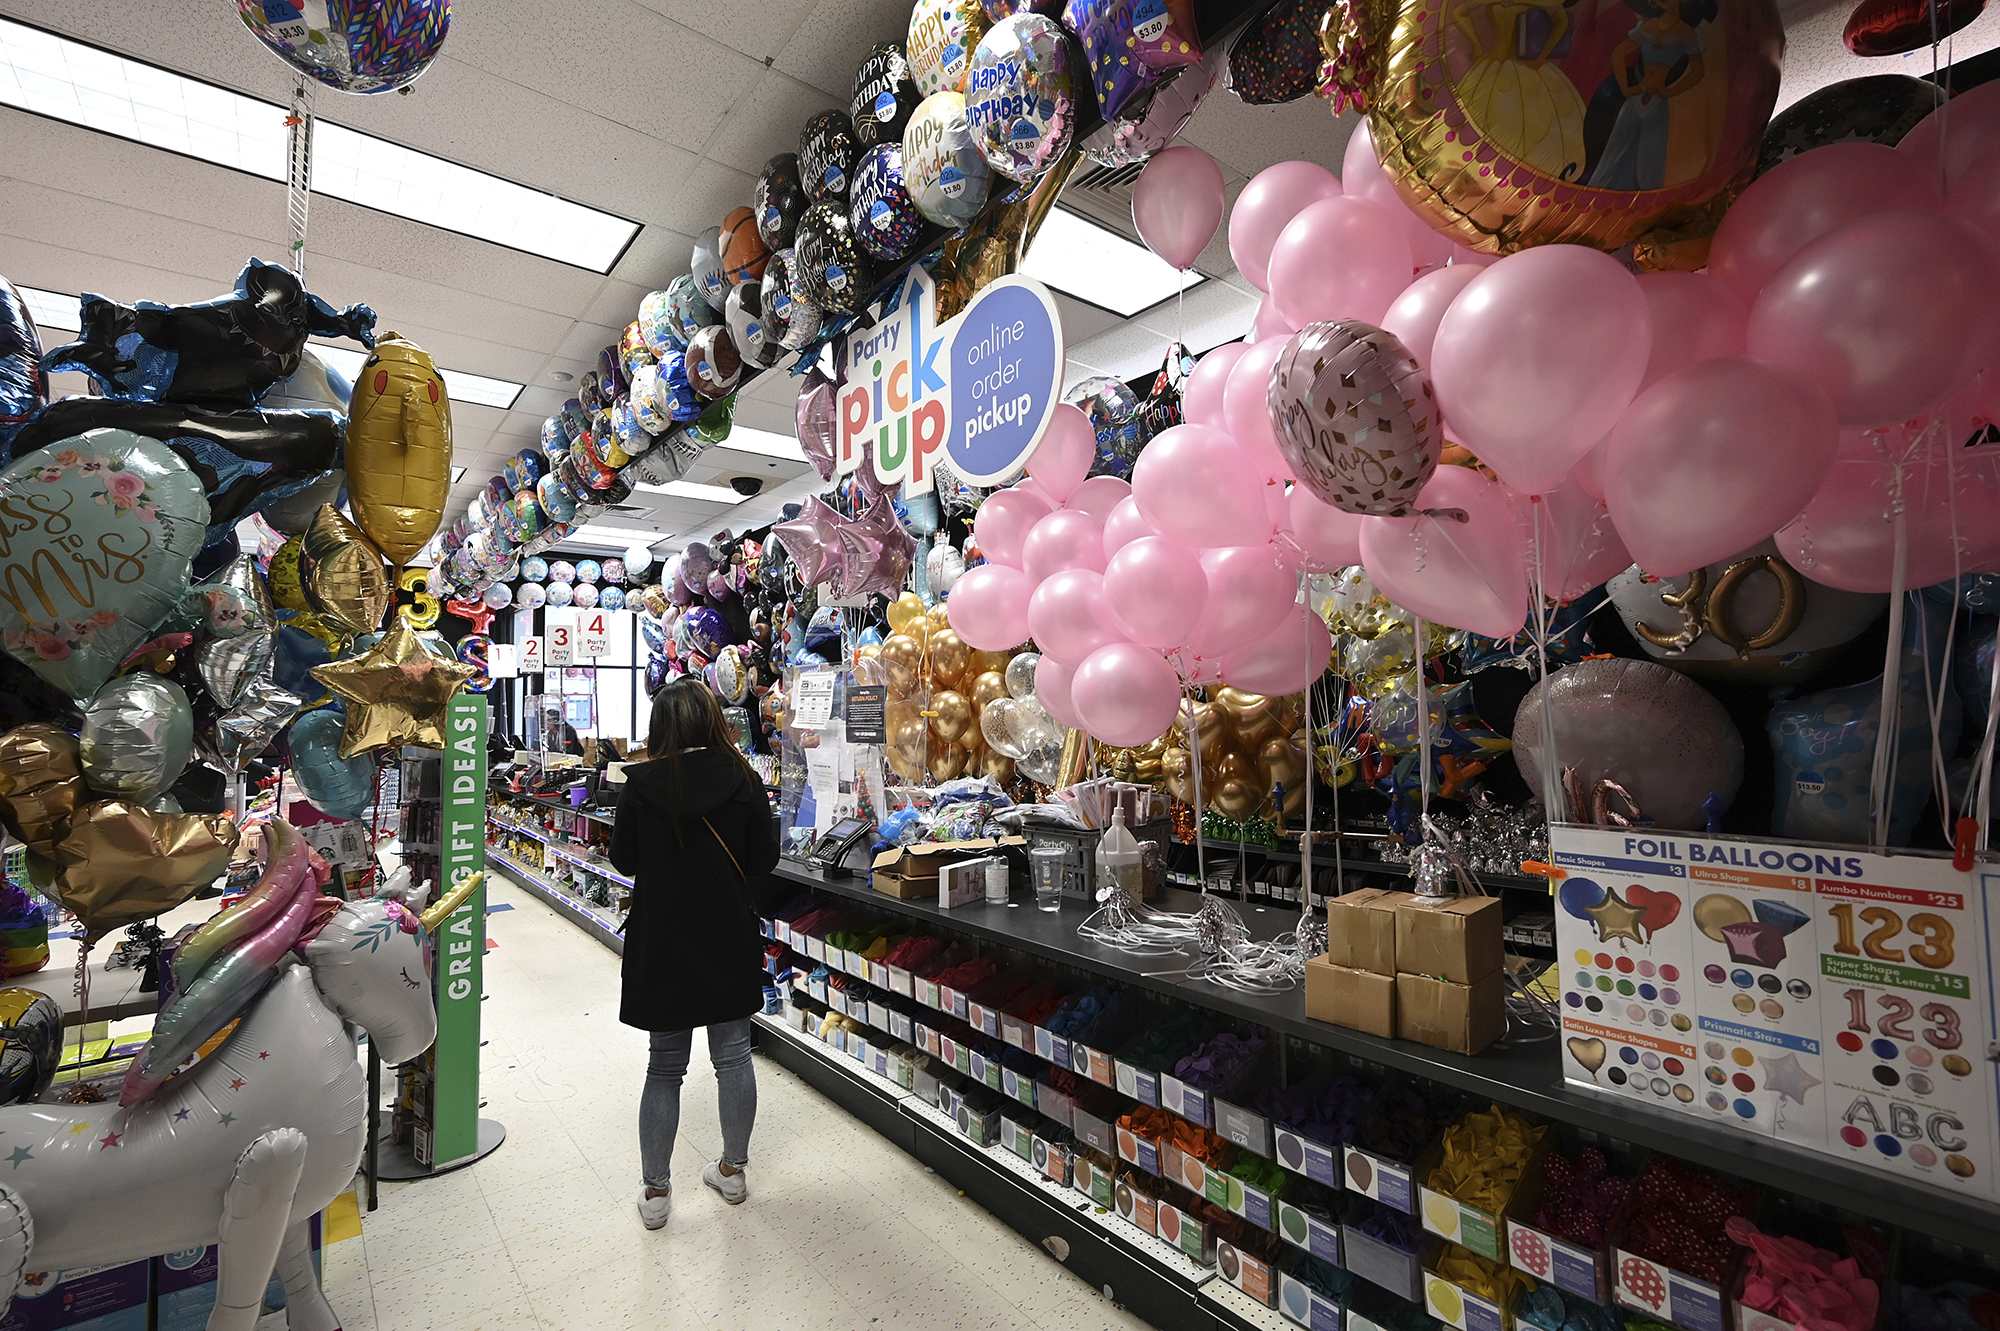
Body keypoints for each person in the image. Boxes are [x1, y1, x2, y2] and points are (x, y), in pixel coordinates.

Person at [609, 675, 779, 1229]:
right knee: (733, 1057)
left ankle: (656, 1193)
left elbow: (624, 862)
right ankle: (732, 1172)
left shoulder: (641, 784)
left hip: (662, 937)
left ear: (660, 725)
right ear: (711, 718)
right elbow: (763, 860)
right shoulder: (744, 778)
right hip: (726, 931)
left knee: (664, 1066)